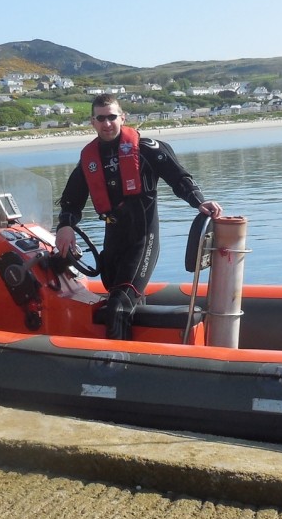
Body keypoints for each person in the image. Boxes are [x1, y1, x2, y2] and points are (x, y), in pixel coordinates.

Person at [55, 94, 222, 339]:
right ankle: (140, 355)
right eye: (101, 118)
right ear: (92, 122)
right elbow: (71, 200)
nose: (107, 123)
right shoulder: (89, 159)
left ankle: (115, 366)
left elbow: (179, 178)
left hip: (143, 239)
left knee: (119, 304)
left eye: (112, 117)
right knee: (119, 298)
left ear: (123, 117)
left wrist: (199, 201)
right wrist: (65, 227)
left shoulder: (147, 149)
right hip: (113, 242)